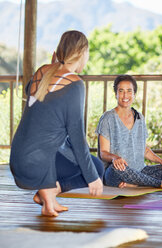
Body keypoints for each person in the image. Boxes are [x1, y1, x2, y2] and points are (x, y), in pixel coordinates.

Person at [9, 30, 104, 217]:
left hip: (18, 160)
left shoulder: (42, 71)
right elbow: (77, 137)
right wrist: (93, 178)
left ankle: (48, 200)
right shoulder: (75, 84)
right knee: (97, 167)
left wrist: (54, 64)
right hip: (37, 165)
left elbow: (31, 92)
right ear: (82, 53)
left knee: (63, 148)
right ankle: (50, 191)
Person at [96, 74, 162, 188]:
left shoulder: (139, 118)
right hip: (116, 173)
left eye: (129, 91)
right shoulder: (107, 118)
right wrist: (115, 158)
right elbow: (103, 153)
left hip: (140, 170)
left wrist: (161, 161)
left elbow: (143, 150)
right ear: (116, 94)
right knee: (115, 169)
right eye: (121, 91)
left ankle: (133, 183)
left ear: (134, 94)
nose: (125, 95)